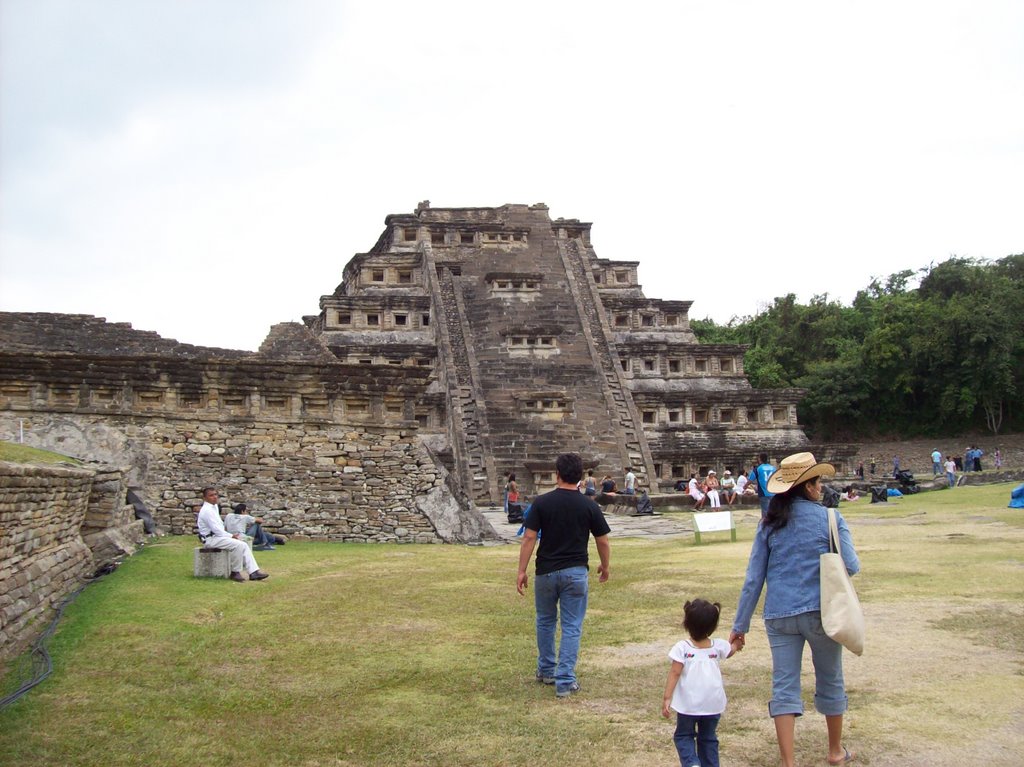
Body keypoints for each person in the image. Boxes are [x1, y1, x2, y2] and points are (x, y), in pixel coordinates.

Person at [730, 453, 860, 767]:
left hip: (780, 613)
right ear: (809, 486)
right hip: (822, 612)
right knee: (830, 678)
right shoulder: (830, 518)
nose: (821, 487)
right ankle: (834, 751)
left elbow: (753, 578)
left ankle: (788, 762)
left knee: (784, 684)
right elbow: (852, 566)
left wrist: (740, 625)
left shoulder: (770, 523)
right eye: (818, 482)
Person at [517, 452, 611, 698]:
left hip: (546, 572)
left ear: (557, 475)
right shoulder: (589, 504)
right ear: (580, 477)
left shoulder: (542, 502)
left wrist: (521, 570)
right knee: (571, 626)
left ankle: (547, 670)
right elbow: (603, 540)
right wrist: (605, 565)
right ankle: (565, 680)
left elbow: (529, 538)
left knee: (545, 621)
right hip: (575, 572)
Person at [662, 599, 744, 767]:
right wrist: (737, 642)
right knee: (708, 737)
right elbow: (732, 650)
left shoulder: (682, 648)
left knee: (684, 736)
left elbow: (675, 672)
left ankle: (692, 763)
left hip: (688, 704)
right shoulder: (718, 646)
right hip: (712, 703)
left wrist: (667, 697)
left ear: (686, 623)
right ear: (713, 626)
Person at [196, 488, 269, 582]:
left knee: (242, 544)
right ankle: (235, 572)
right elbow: (216, 529)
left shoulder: (214, 507)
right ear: (205, 498)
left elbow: (219, 527)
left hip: (218, 537)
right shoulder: (207, 511)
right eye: (211, 495)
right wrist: (231, 536)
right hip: (211, 539)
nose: (214, 497)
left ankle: (253, 572)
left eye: (215, 494)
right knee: (239, 544)